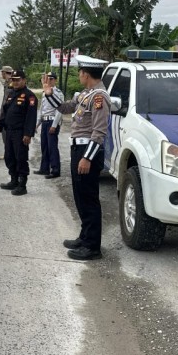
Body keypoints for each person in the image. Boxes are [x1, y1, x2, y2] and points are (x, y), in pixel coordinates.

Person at [44, 56, 110, 260]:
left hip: (87, 153)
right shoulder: (85, 94)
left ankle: (92, 247)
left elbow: (99, 132)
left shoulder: (99, 97)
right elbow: (65, 108)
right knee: (80, 197)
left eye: (80, 72)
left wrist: (87, 158)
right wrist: (48, 94)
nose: (79, 75)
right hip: (78, 151)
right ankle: (85, 236)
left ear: (86, 74)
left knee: (89, 199)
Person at [0, 69, 38, 196]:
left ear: (24, 80)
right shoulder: (11, 93)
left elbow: (31, 117)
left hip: (21, 133)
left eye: (18, 80)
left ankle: (22, 185)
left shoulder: (30, 96)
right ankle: (13, 180)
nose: (15, 82)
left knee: (20, 158)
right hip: (9, 132)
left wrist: (28, 134)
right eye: (13, 80)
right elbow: (5, 111)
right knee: (9, 157)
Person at [34, 72, 64, 178]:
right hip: (45, 121)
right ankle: (44, 168)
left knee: (52, 147)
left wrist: (55, 125)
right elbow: (42, 109)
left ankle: (55, 170)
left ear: (55, 80)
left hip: (52, 121)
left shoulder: (58, 92)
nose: (49, 81)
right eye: (47, 79)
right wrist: (37, 123)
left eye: (51, 79)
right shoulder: (44, 92)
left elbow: (59, 110)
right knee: (44, 146)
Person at [0, 65, 15, 159]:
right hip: (5, 112)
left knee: (7, 134)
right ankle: (8, 152)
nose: (1, 74)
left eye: (2, 72)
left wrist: (3, 112)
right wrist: (1, 110)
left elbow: (8, 101)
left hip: (9, 113)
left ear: (4, 73)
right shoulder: (7, 83)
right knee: (5, 133)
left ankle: (9, 154)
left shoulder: (12, 83)